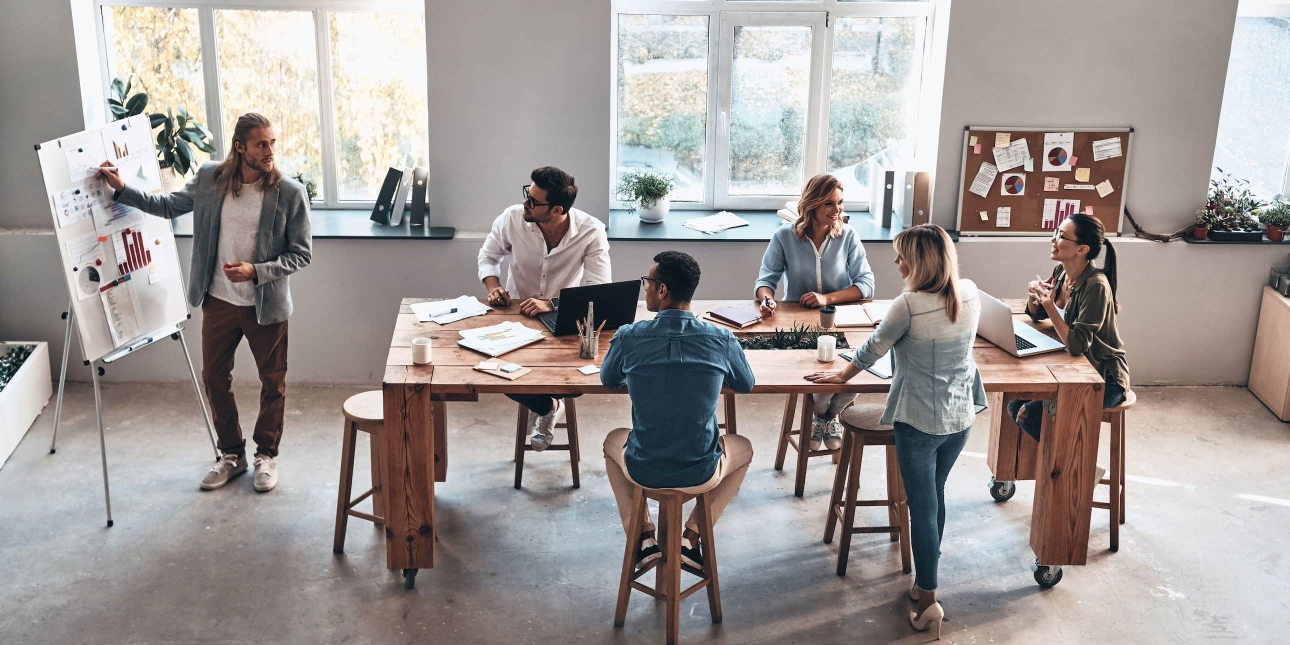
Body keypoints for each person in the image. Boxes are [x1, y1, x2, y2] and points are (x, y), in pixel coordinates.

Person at [98, 113, 312, 493]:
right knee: (214, 379)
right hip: (218, 301)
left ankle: (266, 455)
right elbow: (166, 205)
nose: (270, 152)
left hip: (265, 306)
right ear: (240, 147)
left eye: (273, 143)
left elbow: (301, 254)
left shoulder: (290, 192)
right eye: (262, 144)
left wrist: (256, 270)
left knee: (272, 383)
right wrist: (122, 188)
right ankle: (232, 454)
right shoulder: (211, 179)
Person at [805, 224, 984, 637]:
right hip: (959, 419)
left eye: (902, 255)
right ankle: (925, 581)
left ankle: (928, 598)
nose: (896, 261)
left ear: (919, 262)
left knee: (921, 507)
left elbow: (872, 349)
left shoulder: (908, 304)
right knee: (933, 499)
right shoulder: (969, 291)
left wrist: (841, 380)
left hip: (920, 420)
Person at [601, 251, 755, 569]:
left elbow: (609, 378)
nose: (645, 288)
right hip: (700, 469)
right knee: (744, 449)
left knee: (612, 440)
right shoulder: (722, 339)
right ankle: (692, 537)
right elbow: (745, 383)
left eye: (648, 282)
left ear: (662, 290)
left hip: (645, 467)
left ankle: (644, 538)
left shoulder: (629, 336)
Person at [477, 167, 611, 451]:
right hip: (517, 317)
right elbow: (488, 256)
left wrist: (551, 303)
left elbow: (598, 289)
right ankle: (546, 407)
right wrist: (493, 287)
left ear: (557, 209)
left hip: (564, 319)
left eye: (534, 201)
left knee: (576, 382)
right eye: (528, 194)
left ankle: (539, 405)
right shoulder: (512, 218)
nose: (526, 203)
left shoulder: (591, 231)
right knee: (494, 370)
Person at [754, 173, 875, 452]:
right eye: (829, 205)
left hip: (843, 322)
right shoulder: (784, 237)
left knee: (859, 370)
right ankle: (821, 415)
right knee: (816, 372)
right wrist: (767, 300)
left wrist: (827, 298)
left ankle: (829, 416)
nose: (837, 211)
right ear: (812, 205)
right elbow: (765, 281)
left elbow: (866, 285)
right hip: (800, 326)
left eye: (840, 203)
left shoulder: (848, 236)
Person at [1008, 214, 1129, 446]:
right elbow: (1037, 316)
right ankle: (1057, 467)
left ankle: (1076, 470)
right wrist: (1034, 295)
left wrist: (1049, 305)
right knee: (1014, 404)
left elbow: (1076, 346)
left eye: (1061, 236)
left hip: (1104, 379)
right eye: (1056, 233)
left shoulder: (1096, 285)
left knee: (1028, 414)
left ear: (1082, 249)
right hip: (1074, 372)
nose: (1053, 239)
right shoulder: (1062, 271)